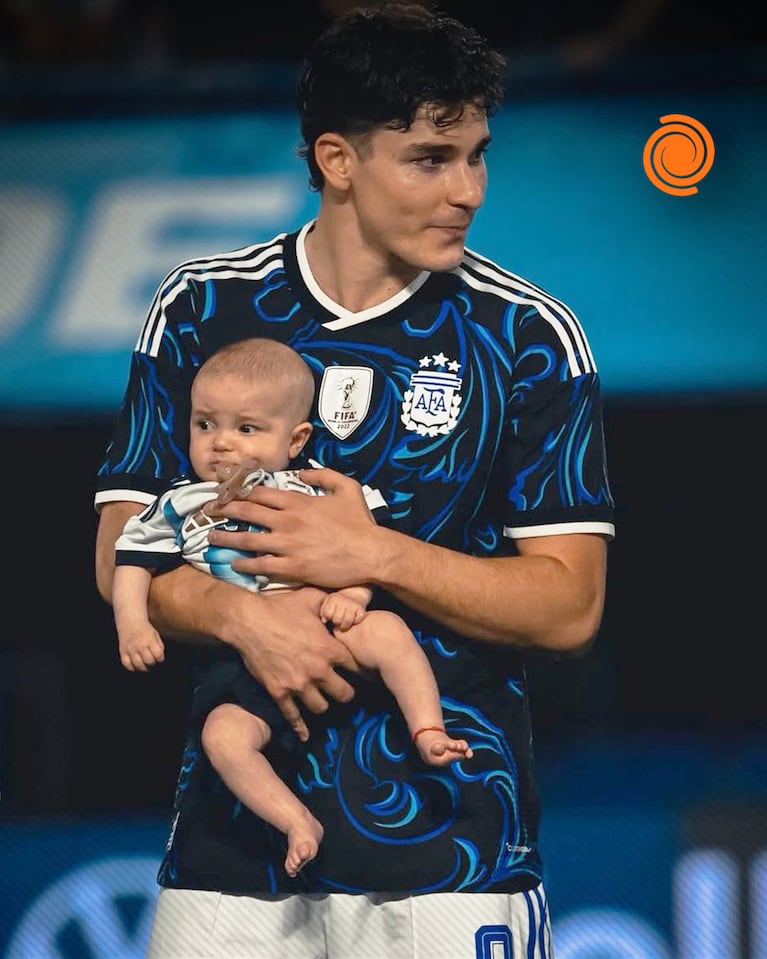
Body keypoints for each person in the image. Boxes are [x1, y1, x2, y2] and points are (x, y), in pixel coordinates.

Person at [94, 3, 615, 956]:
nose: (467, 190)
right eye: (429, 159)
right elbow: (122, 550)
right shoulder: (201, 306)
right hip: (230, 850)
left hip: (450, 850)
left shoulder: (527, 335)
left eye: (477, 156)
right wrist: (242, 616)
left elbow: (571, 606)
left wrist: (372, 554)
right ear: (337, 160)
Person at [111, 336, 473, 879]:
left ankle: (428, 731)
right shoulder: (180, 503)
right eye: (205, 425)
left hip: (329, 625)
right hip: (243, 660)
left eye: (246, 428)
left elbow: (369, 552)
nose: (221, 443)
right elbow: (130, 561)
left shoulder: (316, 491)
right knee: (223, 738)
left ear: (296, 438)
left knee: (389, 631)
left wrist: (354, 595)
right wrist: (133, 624)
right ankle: (297, 822)